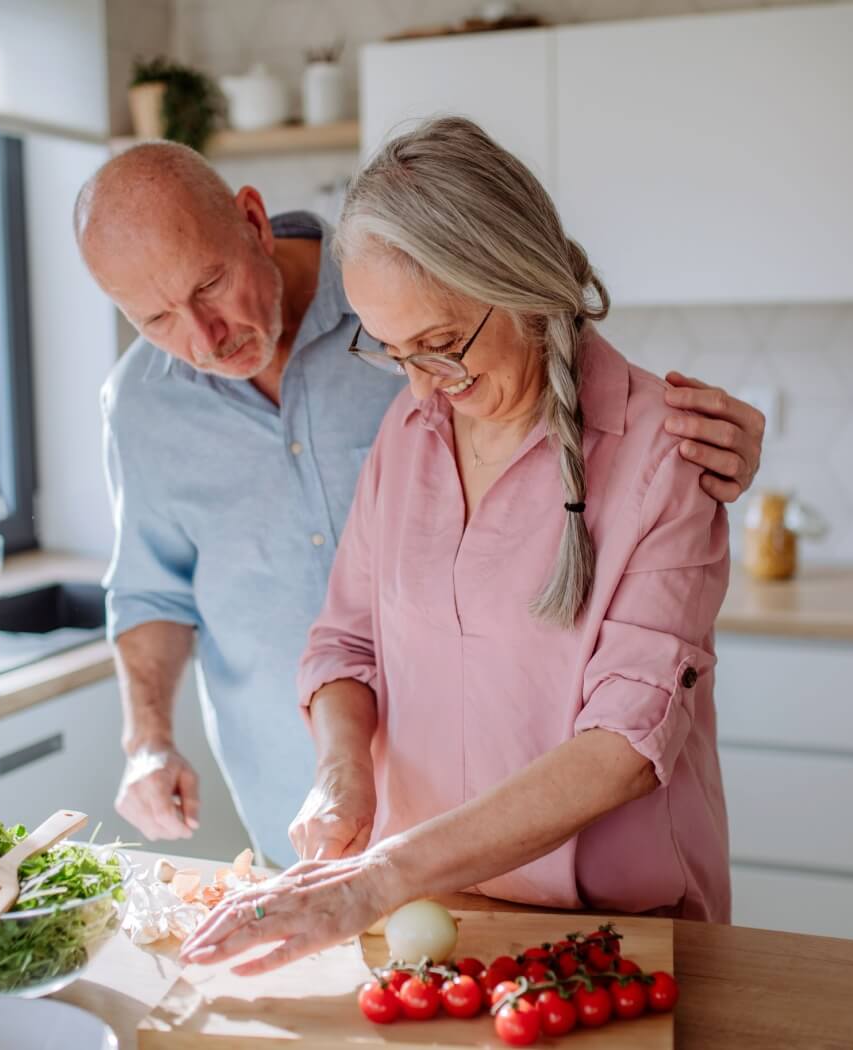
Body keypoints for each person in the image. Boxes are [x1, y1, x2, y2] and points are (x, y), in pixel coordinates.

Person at [74, 141, 764, 867]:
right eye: (154, 319)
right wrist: (152, 740)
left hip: (537, 866)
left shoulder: (407, 299)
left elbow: (579, 395)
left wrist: (678, 455)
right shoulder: (158, 406)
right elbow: (166, 593)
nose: (202, 338)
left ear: (253, 220)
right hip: (322, 827)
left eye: (210, 285)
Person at [179, 117, 731, 976]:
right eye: (393, 353)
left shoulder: (665, 448)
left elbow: (626, 743)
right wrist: (341, 769)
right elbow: (345, 642)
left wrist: (379, 875)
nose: (423, 383)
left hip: (618, 931)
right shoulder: (411, 427)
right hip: (434, 917)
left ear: (520, 278)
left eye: (441, 346)